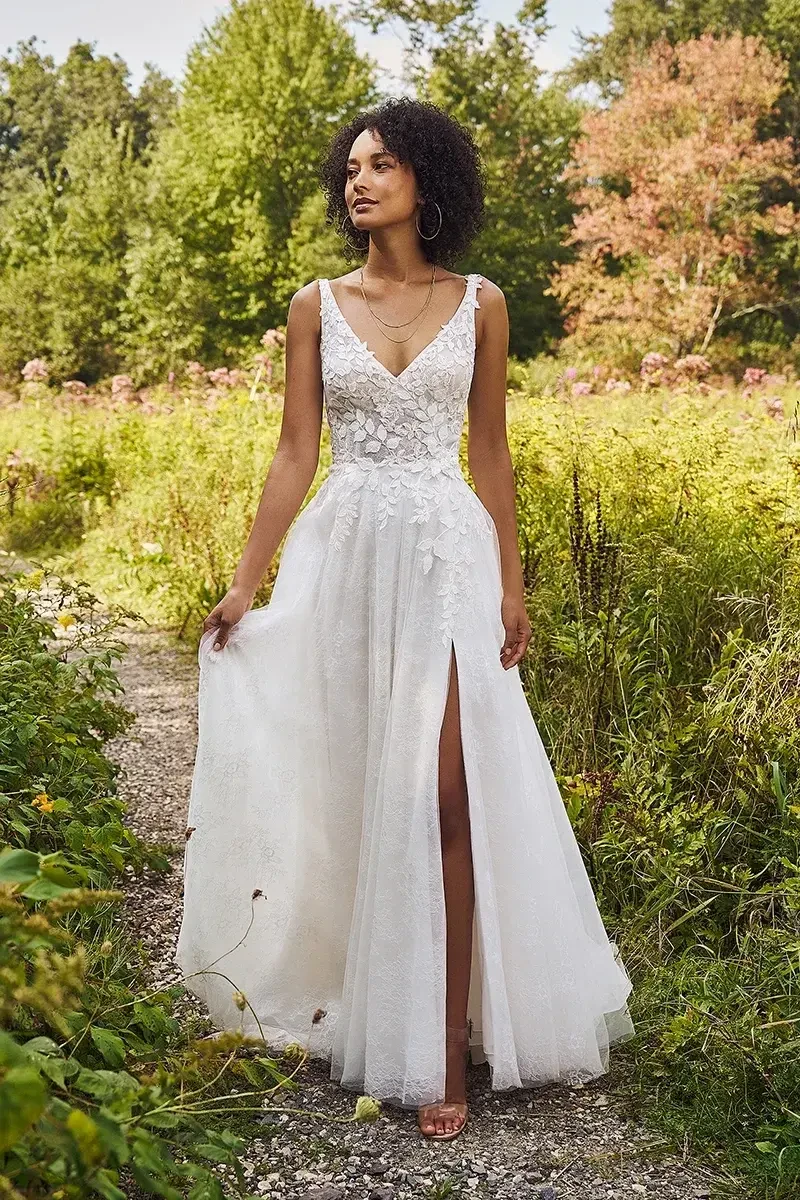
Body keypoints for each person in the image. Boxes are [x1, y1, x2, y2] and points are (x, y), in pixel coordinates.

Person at [176, 96, 635, 1143]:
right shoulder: (313, 304)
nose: (359, 180)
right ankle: (364, 998)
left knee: (447, 794)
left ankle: (442, 1057)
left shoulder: (479, 302)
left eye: (381, 164)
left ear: (427, 180)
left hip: (444, 558)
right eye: (350, 168)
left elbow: (490, 454)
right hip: (345, 556)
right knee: (360, 789)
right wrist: (246, 583)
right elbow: (297, 452)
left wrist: (514, 586)